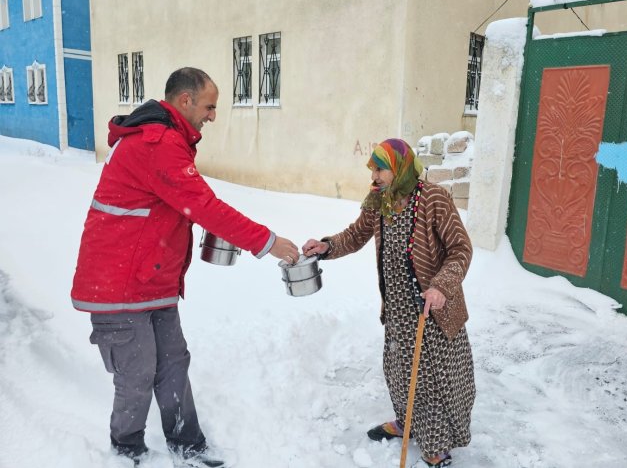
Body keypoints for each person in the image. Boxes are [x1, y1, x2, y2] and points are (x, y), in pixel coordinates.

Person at [71, 67, 299, 468]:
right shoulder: (157, 143)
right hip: (118, 283)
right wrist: (268, 242)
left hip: (150, 277)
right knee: (138, 370)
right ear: (185, 101)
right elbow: (204, 206)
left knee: (174, 360)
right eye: (210, 107)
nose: (213, 116)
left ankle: (187, 443)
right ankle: (127, 449)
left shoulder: (168, 140)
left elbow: (181, 206)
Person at [302, 138, 475, 467]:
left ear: (399, 167)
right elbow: (355, 235)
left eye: (380, 169)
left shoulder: (434, 198)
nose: (375, 176)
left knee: (431, 380)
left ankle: (436, 445)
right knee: (398, 371)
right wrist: (327, 247)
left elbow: (461, 249)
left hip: (432, 308)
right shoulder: (380, 200)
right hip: (397, 307)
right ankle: (406, 423)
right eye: (373, 169)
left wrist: (441, 286)